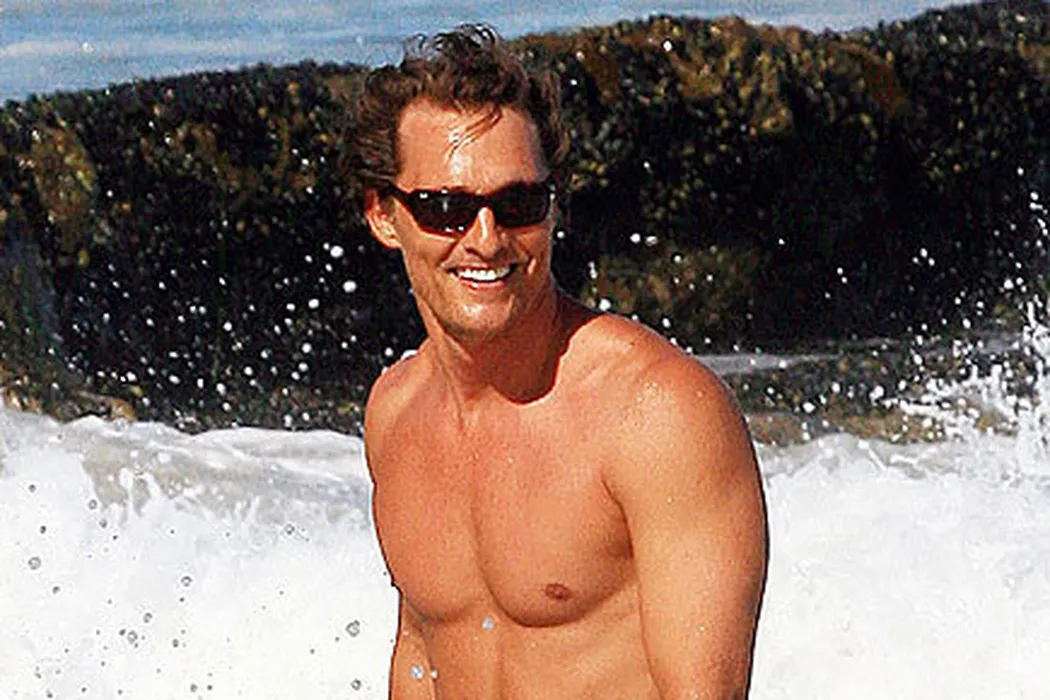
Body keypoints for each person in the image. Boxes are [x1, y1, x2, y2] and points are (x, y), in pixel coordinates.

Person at [352, 25, 768, 700]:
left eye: (518, 204)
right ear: (382, 214)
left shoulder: (656, 413)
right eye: (446, 209)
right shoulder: (393, 412)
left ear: (553, 208)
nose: (486, 240)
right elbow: (423, 654)